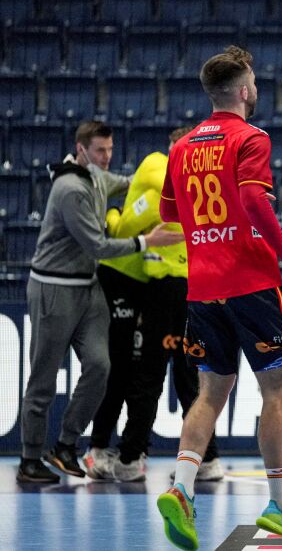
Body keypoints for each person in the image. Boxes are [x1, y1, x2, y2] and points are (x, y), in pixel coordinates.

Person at [156, 46, 282, 550]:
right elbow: (251, 200)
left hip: (203, 287)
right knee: (277, 392)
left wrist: (211, 219)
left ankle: (182, 489)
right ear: (245, 90)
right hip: (251, 283)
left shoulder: (183, 146)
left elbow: (170, 214)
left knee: (209, 394)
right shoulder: (251, 137)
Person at [17, 121, 180, 485]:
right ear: (81, 149)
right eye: (100, 151)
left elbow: (133, 183)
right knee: (43, 379)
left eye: (110, 149)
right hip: (54, 288)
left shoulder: (98, 176)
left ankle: (65, 444)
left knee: (100, 366)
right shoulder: (70, 188)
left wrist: (174, 177)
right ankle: (29, 459)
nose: (107, 157)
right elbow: (98, 245)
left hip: (88, 288)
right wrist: (146, 241)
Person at [88, 126, 221, 483]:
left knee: (148, 374)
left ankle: (131, 458)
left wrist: (112, 216)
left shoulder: (159, 173)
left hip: (166, 289)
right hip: (198, 288)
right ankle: (207, 459)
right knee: (191, 377)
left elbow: (122, 228)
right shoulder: (207, 180)